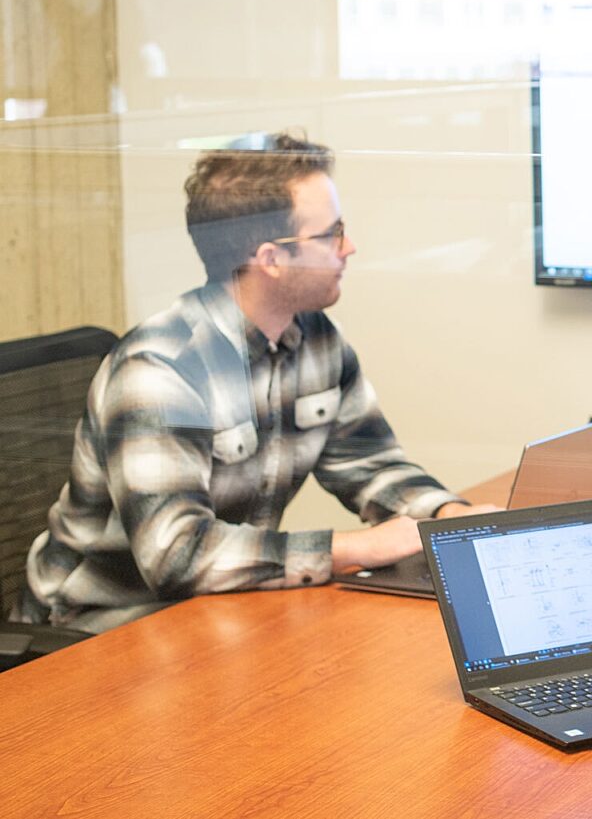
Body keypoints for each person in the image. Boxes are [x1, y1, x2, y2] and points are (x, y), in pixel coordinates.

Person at [13, 133, 479, 634]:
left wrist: (447, 516)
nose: (350, 247)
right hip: (95, 631)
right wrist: (356, 548)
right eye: (332, 233)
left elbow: (368, 463)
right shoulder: (161, 369)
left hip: (215, 610)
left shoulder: (316, 338)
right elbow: (176, 555)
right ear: (272, 260)